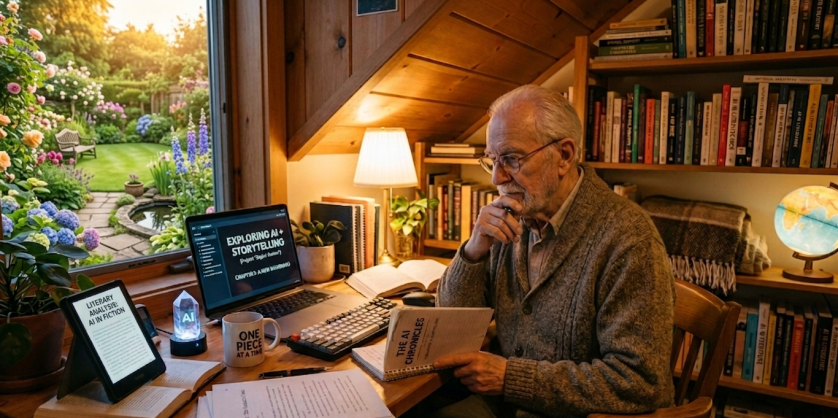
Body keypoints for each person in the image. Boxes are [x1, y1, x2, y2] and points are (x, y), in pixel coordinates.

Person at [431, 85, 676, 418]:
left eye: (512, 159)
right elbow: (449, 323)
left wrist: (510, 378)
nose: (496, 177)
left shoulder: (628, 238)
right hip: (508, 405)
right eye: (491, 160)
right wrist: (474, 250)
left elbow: (642, 382)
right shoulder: (512, 218)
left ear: (564, 155)